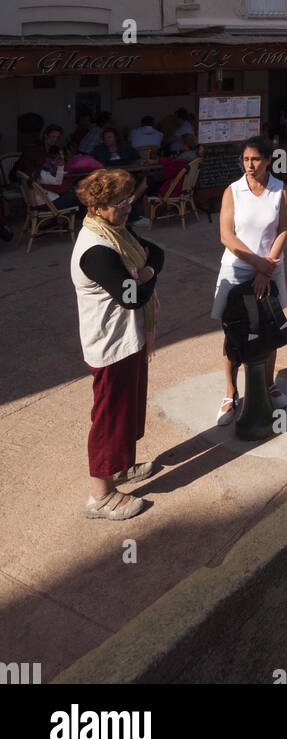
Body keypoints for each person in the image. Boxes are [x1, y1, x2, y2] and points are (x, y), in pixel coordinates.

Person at [70, 167, 164, 520]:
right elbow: (132, 296)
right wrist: (147, 275)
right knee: (109, 418)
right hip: (111, 346)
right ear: (96, 207)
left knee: (128, 411)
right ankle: (101, 494)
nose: (128, 208)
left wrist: (149, 272)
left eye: (129, 199)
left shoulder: (118, 232)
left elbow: (156, 254)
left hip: (130, 339)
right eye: (120, 202)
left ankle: (121, 465)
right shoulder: (95, 249)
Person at [210, 135, 287, 425]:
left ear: (268, 160)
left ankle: (268, 383)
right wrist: (258, 265)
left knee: (269, 328)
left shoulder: (279, 189)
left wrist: (265, 269)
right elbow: (226, 235)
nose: (250, 165)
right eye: (245, 159)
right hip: (238, 269)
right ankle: (231, 392)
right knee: (232, 331)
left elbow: (283, 230)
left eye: (255, 159)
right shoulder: (232, 191)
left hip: (270, 268)